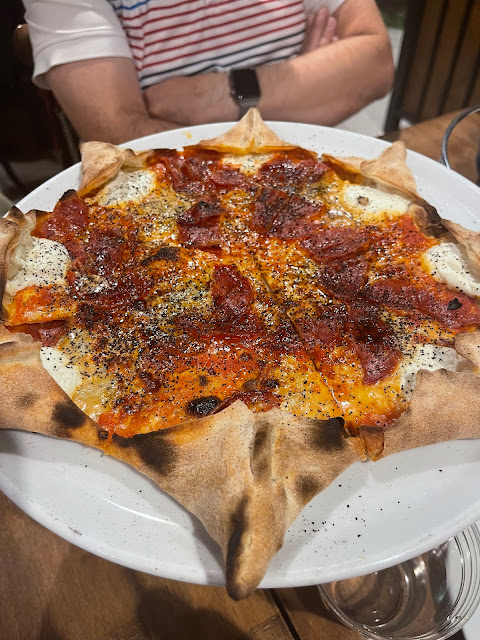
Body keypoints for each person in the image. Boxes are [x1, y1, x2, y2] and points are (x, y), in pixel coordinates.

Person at [23, 0, 394, 144]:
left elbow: (375, 66)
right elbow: (122, 140)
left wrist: (214, 96)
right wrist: (304, 88)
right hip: (170, 210)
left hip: (325, 176)